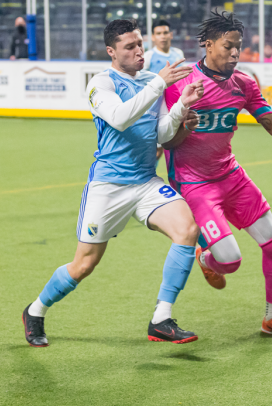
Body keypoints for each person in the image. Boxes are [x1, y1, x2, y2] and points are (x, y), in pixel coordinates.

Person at [21, 19, 206, 347]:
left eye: (139, 44)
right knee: (83, 265)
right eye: (129, 47)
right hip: (108, 187)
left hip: (146, 182)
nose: (139, 52)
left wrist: (180, 107)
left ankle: (161, 318)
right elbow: (121, 118)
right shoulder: (100, 85)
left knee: (188, 230)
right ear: (111, 52)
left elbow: (160, 133)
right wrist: (159, 86)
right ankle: (35, 310)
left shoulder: (151, 80)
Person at [162, 10, 272, 338]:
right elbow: (167, 140)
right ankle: (206, 259)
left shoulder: (245, 84)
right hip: (194, 183)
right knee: (230, 261)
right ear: (208, 45)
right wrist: (183, 127)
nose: (235, 53)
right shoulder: (182, 82)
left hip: (232, 176)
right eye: (228, 46)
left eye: (238, 47)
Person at [142, 20, 184, 166]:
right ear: (153, 37)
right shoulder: (148, 56)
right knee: (155, 148)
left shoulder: (178, 54)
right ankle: (145, 173)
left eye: (165, 33)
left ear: (171, 34)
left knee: (175, 144)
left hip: (174, 106)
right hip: (155, 108)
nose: (163, 36)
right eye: (158, 33)